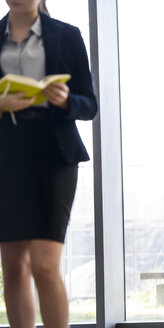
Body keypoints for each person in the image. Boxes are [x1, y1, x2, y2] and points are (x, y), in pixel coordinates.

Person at [0, 0, 97, 327]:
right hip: (7, 157)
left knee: (43, 264)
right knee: (14, 266)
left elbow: (89, 105)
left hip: (55, 157)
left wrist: (66, 99)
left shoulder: (67, 35)